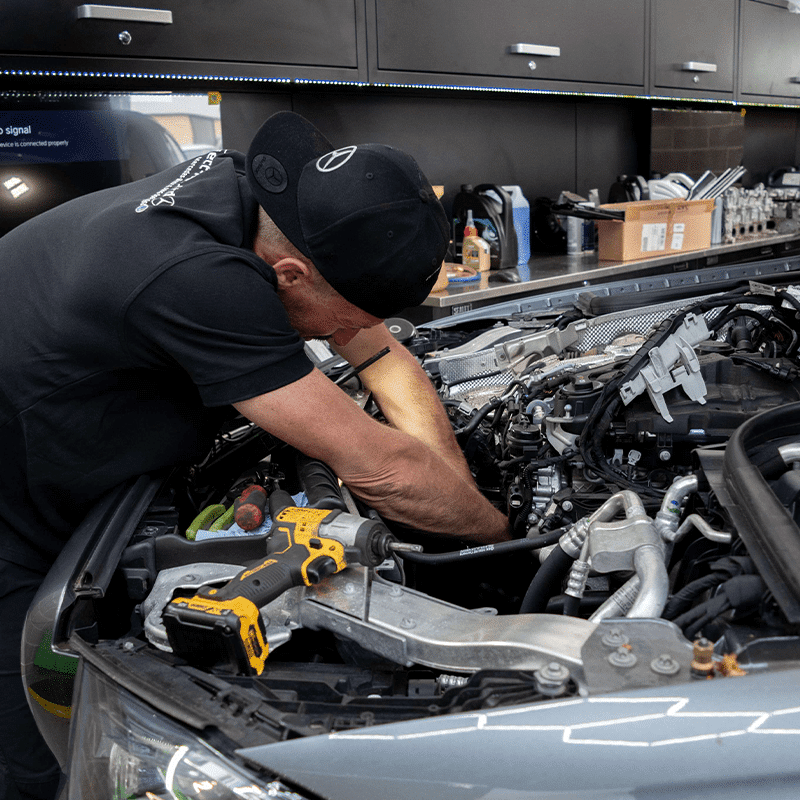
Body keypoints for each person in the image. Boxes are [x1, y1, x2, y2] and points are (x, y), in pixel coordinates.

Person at [0, 110, 509, 798]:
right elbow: (384, 468)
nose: (353, 336)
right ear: (293, 276)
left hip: (74, 460)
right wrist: (507, 546)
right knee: (41, 749)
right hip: (12, 508)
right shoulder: (200, 279)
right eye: (348, 320)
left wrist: (456, 490)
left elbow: (385, 358)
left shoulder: (265, 203)